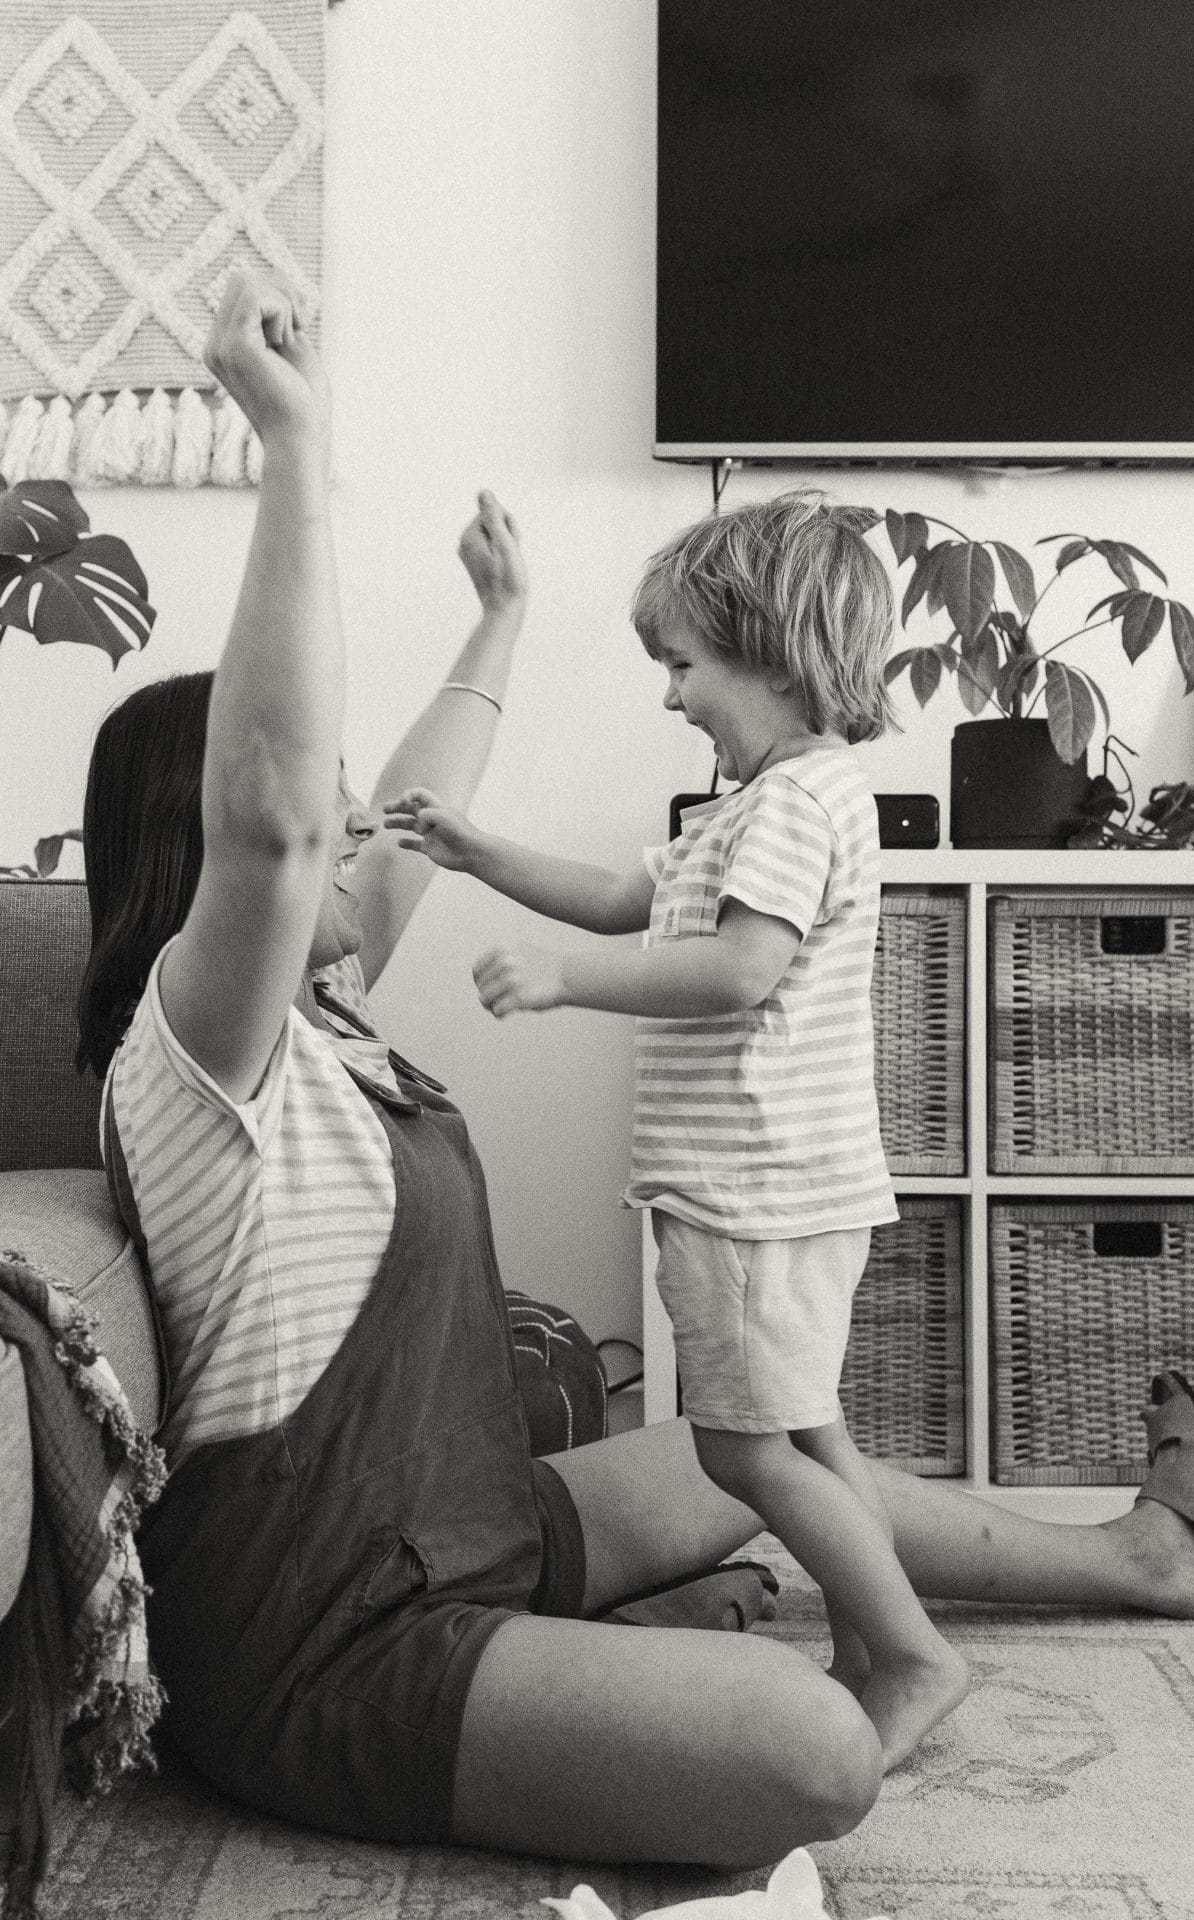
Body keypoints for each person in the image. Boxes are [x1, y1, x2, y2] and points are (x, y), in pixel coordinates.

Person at [79, 272, 1194, 1876]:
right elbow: (279, 815)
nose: (358, 833)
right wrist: (292, 448)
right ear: (210, 855)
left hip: (463, 1531)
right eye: (327, 818)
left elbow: (411, 815)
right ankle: (717, 1677)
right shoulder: (199, 1051)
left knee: (740, 1450)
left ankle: (1150, 1566)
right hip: (324, 1637)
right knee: (815, 1748)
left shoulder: (331, 1002)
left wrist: (498, 621)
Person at [386, 492, 969, 1771]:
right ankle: (876, 1649)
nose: (668, 698)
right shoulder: (747, 810)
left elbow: (736, 971)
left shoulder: (796, 807)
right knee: (809, 1434)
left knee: (741, 1446)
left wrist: (558, 982)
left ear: (767, 650)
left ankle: (914, 1653)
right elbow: (614, 898)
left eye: (680, 667)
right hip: (770, 1186)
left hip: (757, 1189)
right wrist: (473, 847)